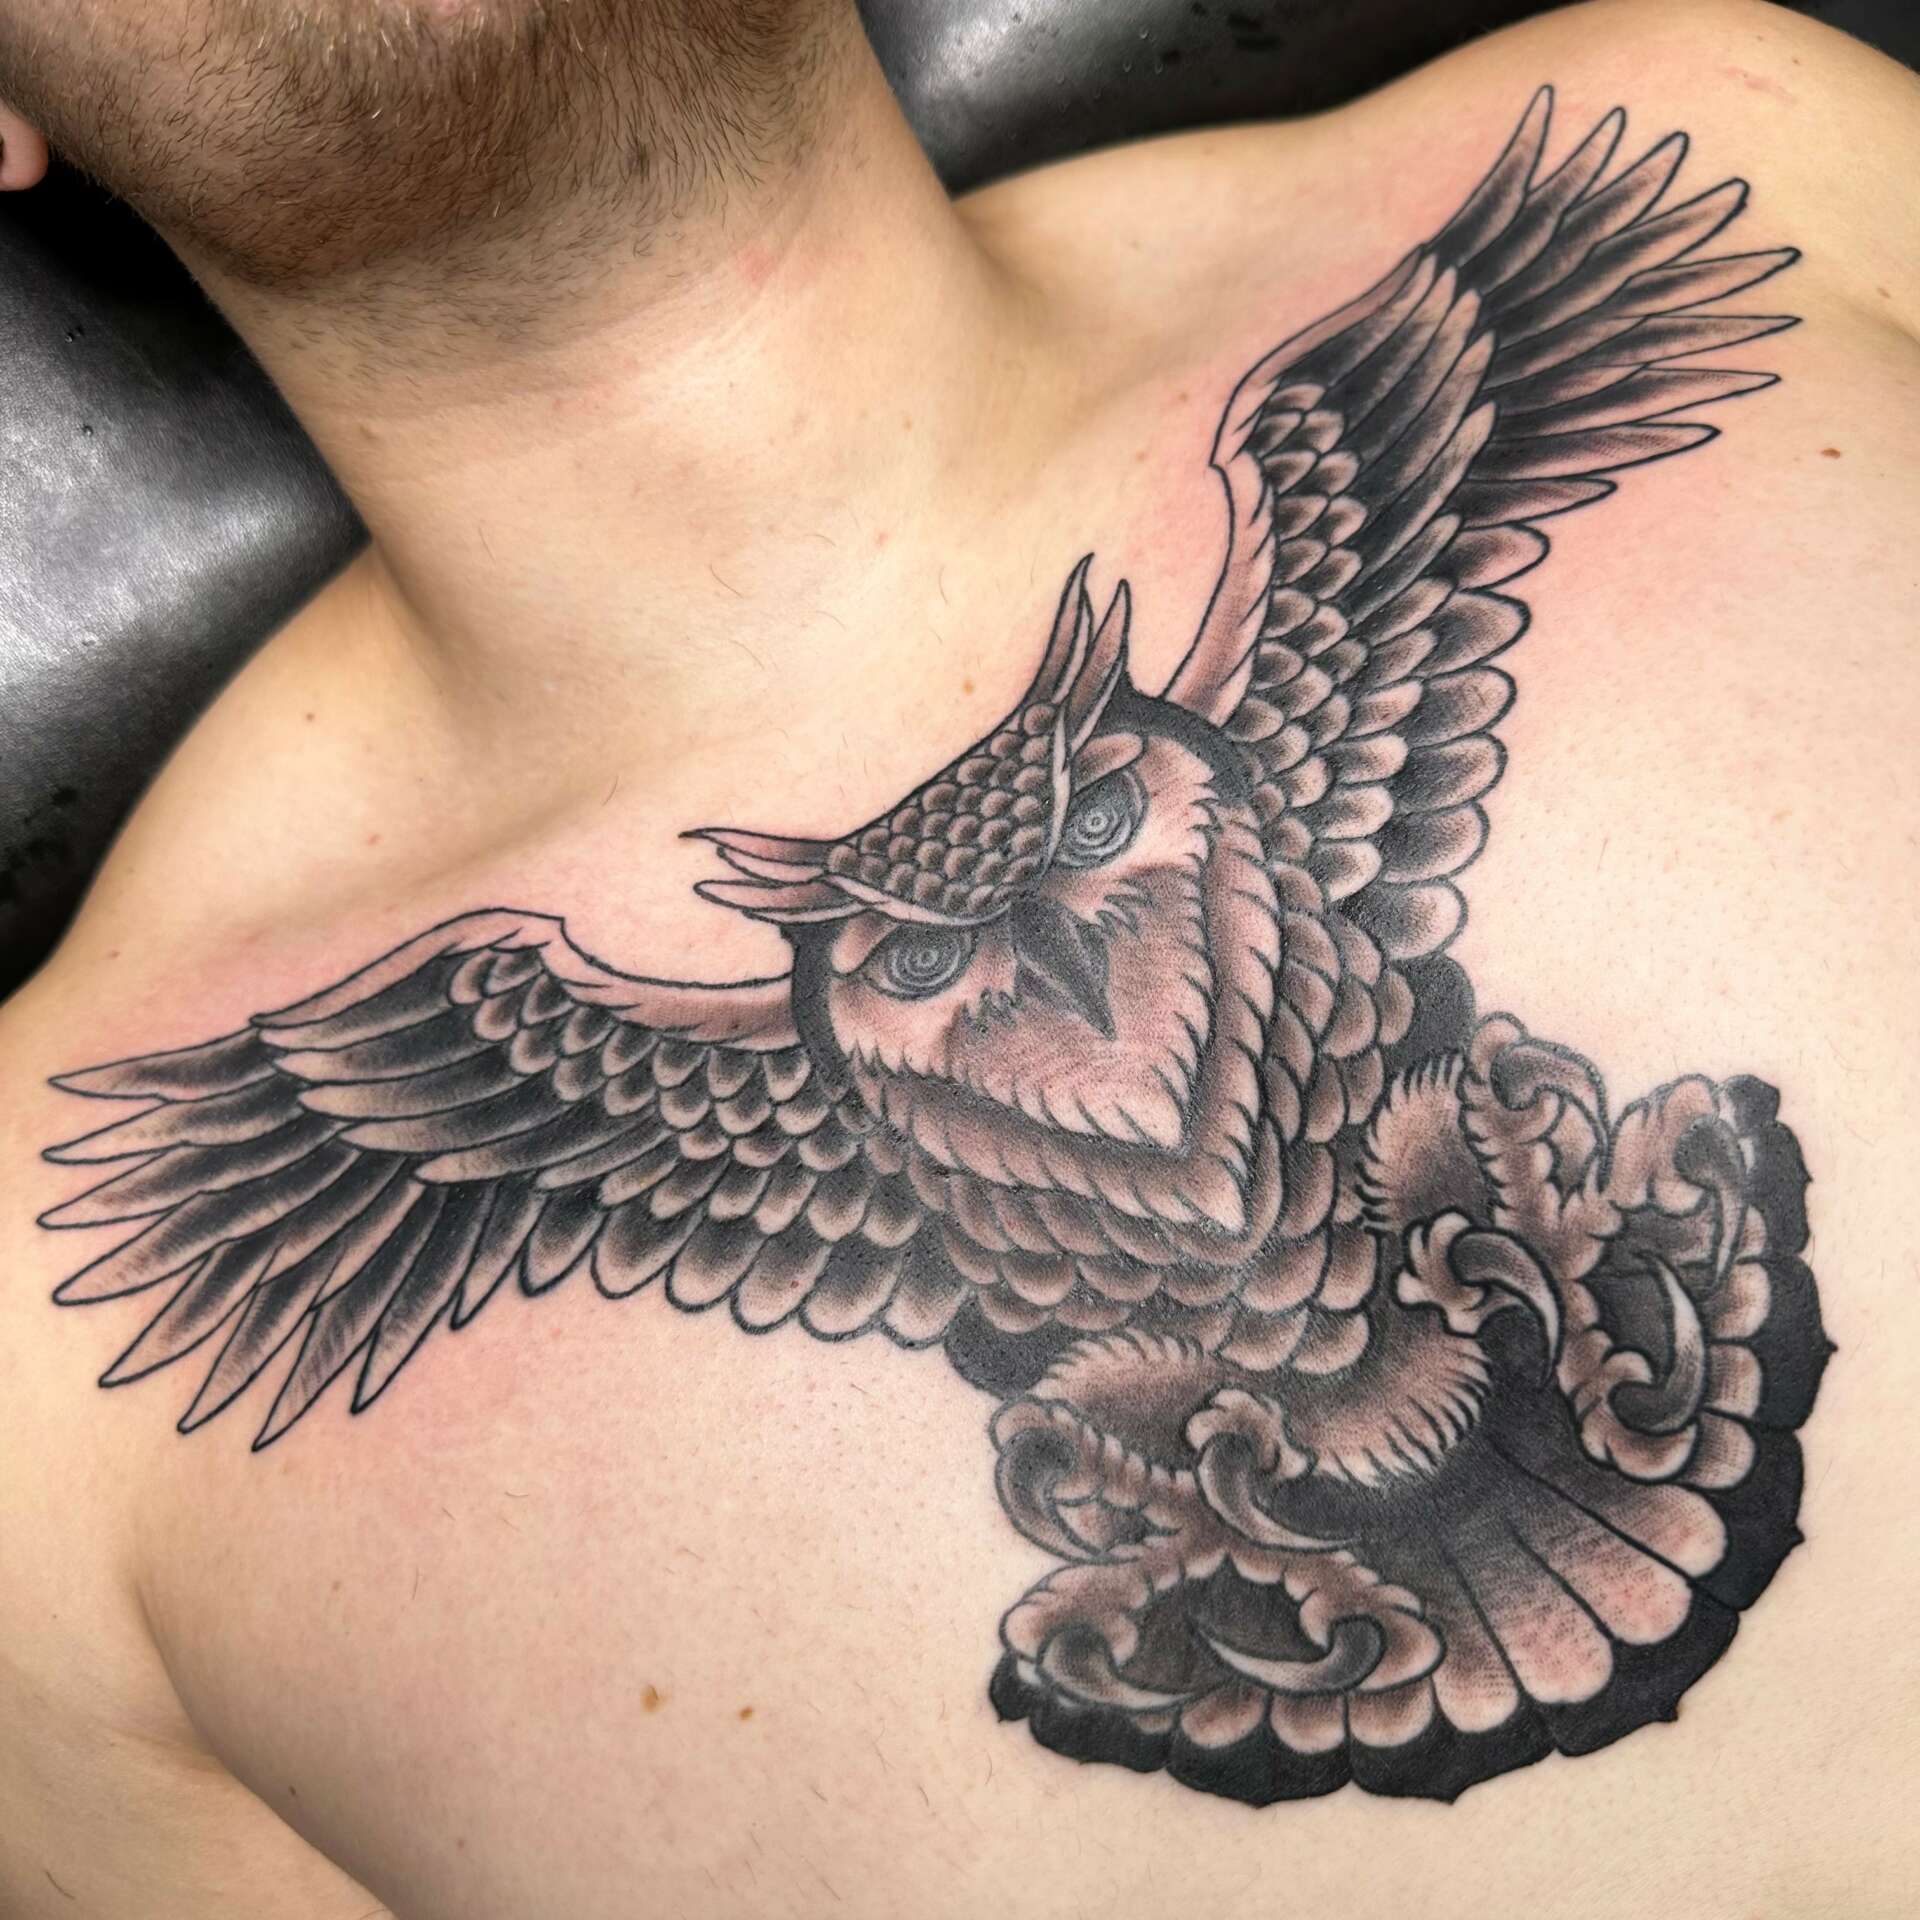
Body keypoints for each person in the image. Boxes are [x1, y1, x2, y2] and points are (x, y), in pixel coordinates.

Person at [1, 1, 1915, 1913]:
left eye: (1088, 834)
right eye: (918, 964)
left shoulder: (1723, 157)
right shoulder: (48, 1399)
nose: (1048, 957)